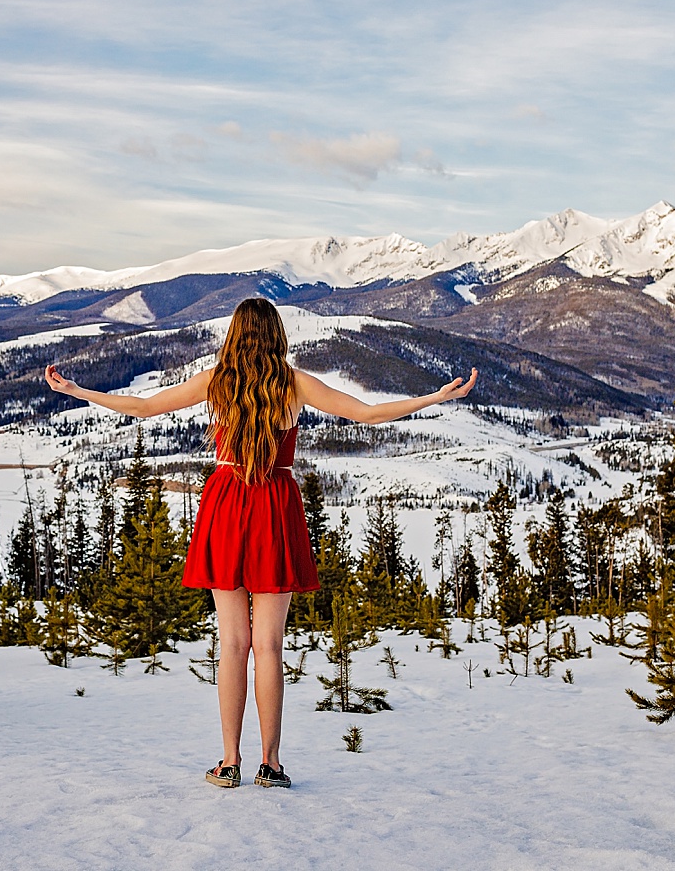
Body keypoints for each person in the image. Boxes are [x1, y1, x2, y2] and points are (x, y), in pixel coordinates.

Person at [44, 297, 476, 788]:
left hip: (226, 503)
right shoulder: (293, 385)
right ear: (276, 334)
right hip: (275, 504)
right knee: (268, 645)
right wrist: (432, 398)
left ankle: (229, 761)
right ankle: (270, 765)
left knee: (233, 644)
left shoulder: (217, 381)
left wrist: (80, 391)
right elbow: (367, 414)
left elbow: (143, 407)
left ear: (234, 334)